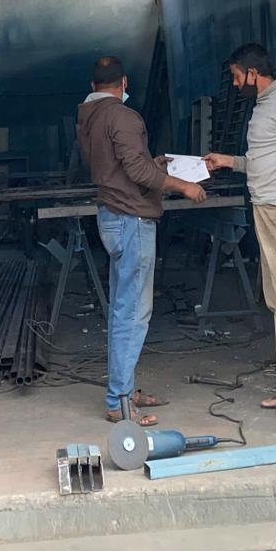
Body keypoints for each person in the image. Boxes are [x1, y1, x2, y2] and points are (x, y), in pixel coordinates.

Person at [76, 55, 206, 428]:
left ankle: (124, 390)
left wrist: (155, 164)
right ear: (124, 83)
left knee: (123, 309)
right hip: (131, 218)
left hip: (111, 216)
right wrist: (183, 185)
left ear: (93, 85)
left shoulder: (88, 117)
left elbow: (124, 165)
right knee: (133, 313)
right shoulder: (122, 116)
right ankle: (119, 402)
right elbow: (134, 169)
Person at [204, 43, 276, 436]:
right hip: (267, 211)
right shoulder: (263, 108)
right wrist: (229, 161)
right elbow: (265, 162)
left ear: (253, 73)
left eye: (238, 76)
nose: (235, 83)